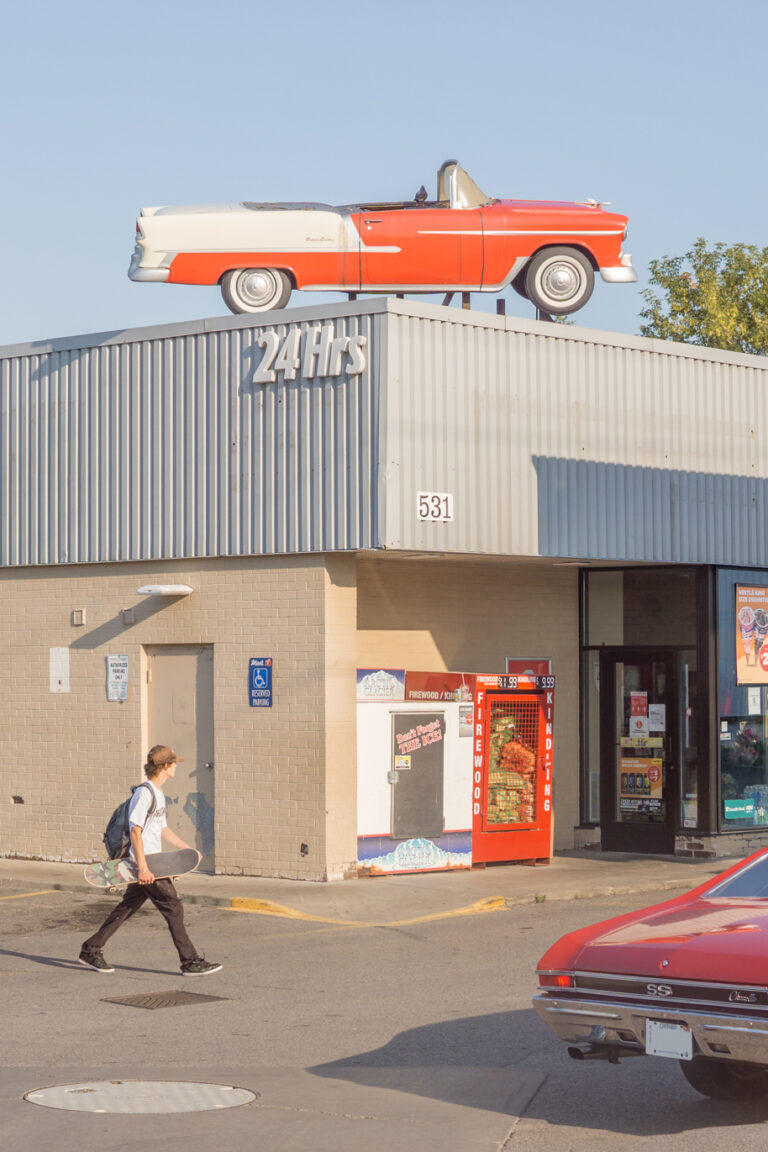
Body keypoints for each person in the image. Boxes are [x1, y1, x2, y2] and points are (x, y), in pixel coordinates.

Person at [79, 745, 221, 976]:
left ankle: (91, 949)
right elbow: (135, 831)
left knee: (128, 906)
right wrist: (142, 867)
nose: (176, 767)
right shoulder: (144, 793)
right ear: (165, 766)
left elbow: (161, 828)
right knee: (173, 907)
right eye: (173, 763)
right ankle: (190, 961)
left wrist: (186, 850)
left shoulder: (158, 794)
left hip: (151, 861)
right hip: (146, 863)